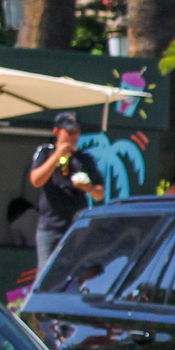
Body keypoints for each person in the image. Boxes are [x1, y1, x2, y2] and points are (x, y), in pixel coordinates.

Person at [26, 111, 103, 272]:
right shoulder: (45, 152)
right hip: (50, 228)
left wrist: (88, 187)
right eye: (69, 132)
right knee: (47, 276)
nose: (73, 137)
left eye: (76, 132)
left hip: (77, 227)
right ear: (57, 132)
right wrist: (57, 155)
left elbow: (99, 194)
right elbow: (36, 180)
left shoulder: (85, 159)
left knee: (75, 273)